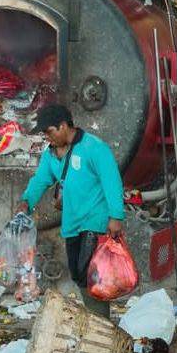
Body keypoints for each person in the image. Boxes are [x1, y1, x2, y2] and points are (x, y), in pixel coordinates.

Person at [16, 104, 125, 317]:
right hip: (72, 223)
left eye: (49, 132)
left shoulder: (94, 148)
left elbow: (112, 182)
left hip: (95, 220)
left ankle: (99, 320)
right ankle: (96, 318)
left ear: (63, 126)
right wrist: (26, 201)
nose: (47, 138)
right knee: (77, 273)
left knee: (90, 275)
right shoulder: (51, 155)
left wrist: (116, 216)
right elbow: (40, 180)